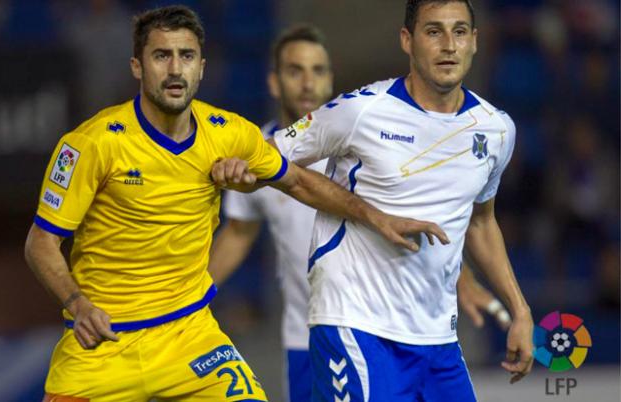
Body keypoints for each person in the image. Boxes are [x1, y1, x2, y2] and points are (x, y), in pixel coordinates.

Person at [23, 5, 448, 402]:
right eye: (161, 56)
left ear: (202, 67)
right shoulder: (91, 144)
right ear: (137, 66)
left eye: (186, 56)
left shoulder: (229, 134)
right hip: (101, 345)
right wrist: (78, 305)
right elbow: (41, 243)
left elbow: (299, 182)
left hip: (189, 337)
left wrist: (378, 217)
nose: (175, 69)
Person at [212, 1, 534, 401]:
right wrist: (236, 171)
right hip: (355, 322)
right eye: (433, 32)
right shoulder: (360, 111)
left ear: (475, 42)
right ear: (407, 40)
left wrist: (520, 311)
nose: (448, 45)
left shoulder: (496, 129)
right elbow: (268, 161)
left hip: (437, 338)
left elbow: (482, 223)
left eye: (459, 31)